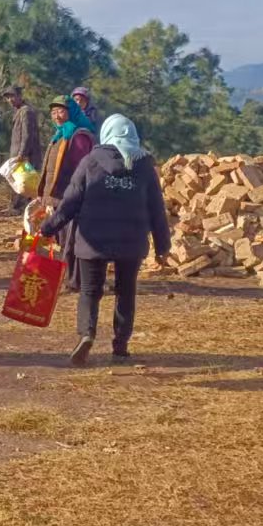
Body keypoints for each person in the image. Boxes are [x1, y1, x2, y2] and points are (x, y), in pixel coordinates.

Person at [40, 114, 171, 366]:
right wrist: (162, 245)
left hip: (93, 238)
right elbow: (156, 208)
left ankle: (87, 334)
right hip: (131, 240)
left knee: (90, 290)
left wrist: (48, 228)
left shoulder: (90, 161)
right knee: (126, 291)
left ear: (107, 133)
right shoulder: (144, 165)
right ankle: (120, 346)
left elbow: (70, 202)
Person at [35, 96, 97, 291]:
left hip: (71, 198)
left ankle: (74, 281)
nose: (57, 116)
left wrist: (74, 196)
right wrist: (43, 194)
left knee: (71, 241)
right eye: (53, 112)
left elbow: (81, 170)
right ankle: (69, 277)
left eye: (61, 111)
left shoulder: (79, 136)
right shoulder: (59, 135)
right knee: (62, 240)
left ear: (72, 112)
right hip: (57, 197)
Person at [2, 86, 42, 213]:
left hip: (26, 156)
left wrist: (22, 154)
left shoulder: (26, 111)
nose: (10, 100)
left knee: (24, 182)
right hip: (20, 154)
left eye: (12, 96)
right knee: (19, 181)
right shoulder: (18, 111)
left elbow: (27, 135)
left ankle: (20, 208)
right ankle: (18, 207)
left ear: (20, 96)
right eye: (8, 97)